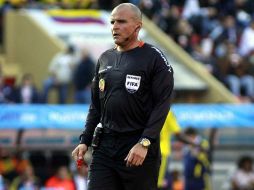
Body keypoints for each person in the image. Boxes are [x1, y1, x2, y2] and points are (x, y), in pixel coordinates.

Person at [72, 3, 174, 190]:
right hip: (105, 147)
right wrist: (85, 140)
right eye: (112, 22)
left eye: (121, 22)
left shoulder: (155, 59)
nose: (114, 27)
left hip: (137, 147)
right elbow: (96, 106)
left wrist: (145, 142)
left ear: (138, 26)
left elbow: (162, 104)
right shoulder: (104, 59)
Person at [158, 110, 201, 190]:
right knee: (158, 184)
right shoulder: (166, 111)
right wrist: (194, 143)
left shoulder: (146, 109)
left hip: (145, 150)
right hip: (161, 153)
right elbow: (179, 135)